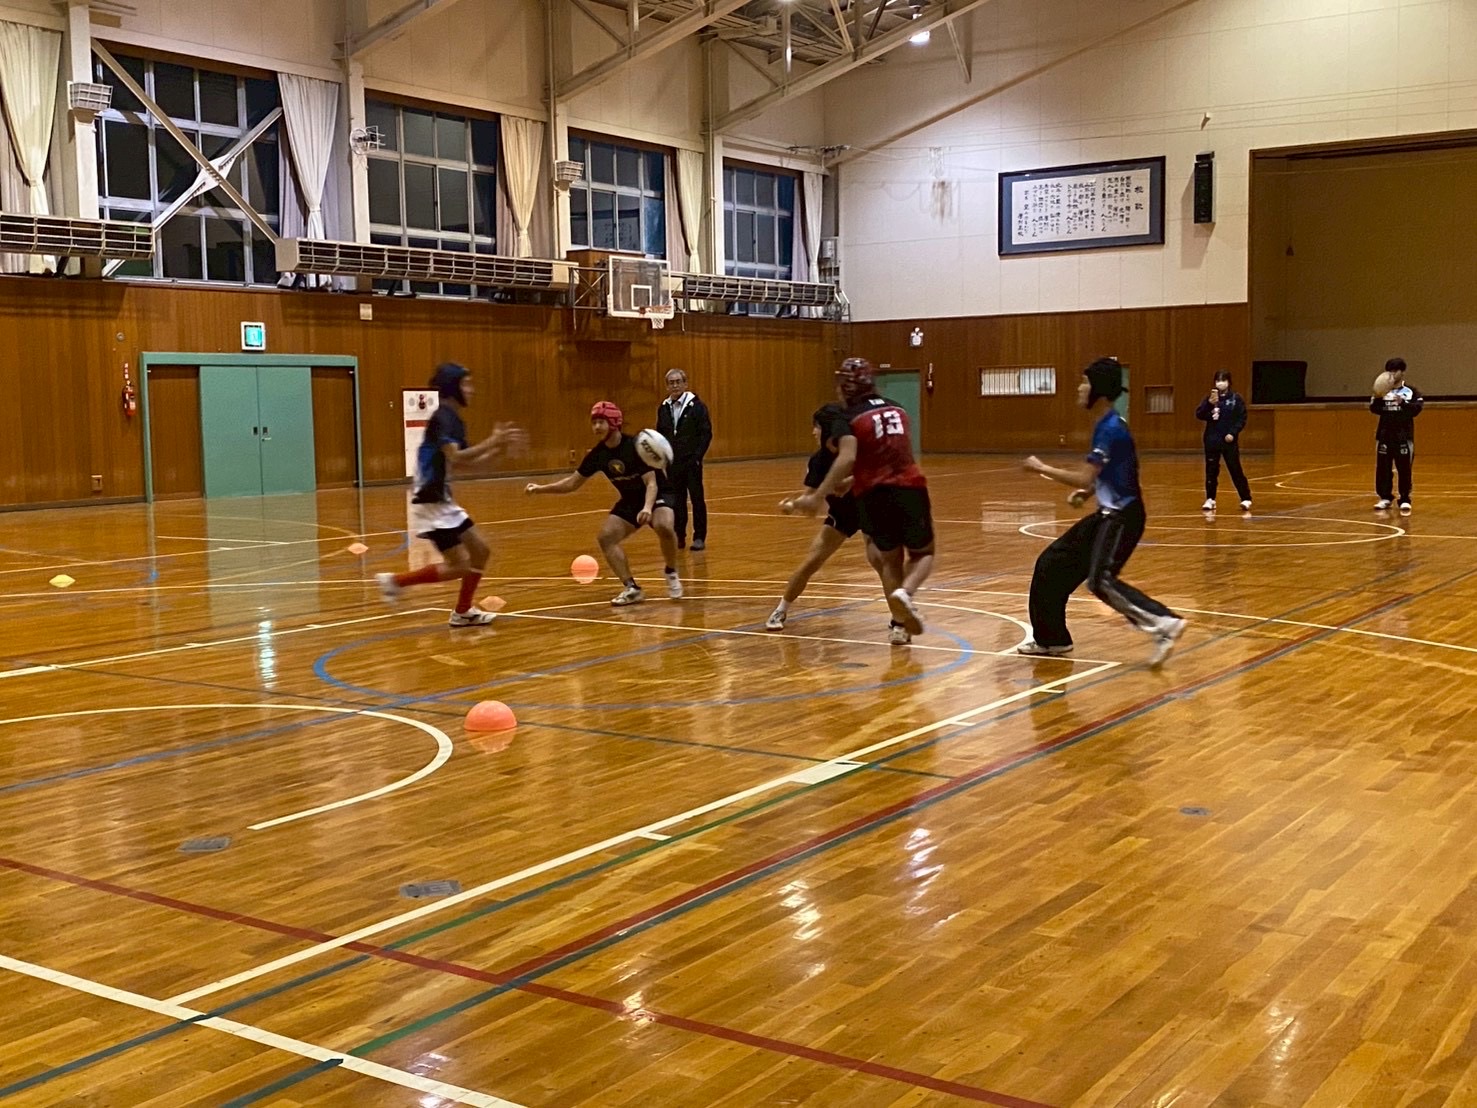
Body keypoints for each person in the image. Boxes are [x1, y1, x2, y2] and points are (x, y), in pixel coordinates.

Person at [1020, 357, 1187, 666]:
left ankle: (1164, 622)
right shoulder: (1107, 426)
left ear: (1098, 389)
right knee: (1051, 564)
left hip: (1122, 518)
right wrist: (1087, 493)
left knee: (1101, 581)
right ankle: (1052, 639)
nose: (1079, 388)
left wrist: (1041, 468)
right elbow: (1111, 475)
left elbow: (1086, 476)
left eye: (1085, 383)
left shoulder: (1111, 430)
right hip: (1108, 515)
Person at [787, 358, 933, 646]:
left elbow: (848, 457)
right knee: (922, 553)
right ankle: (904, 602)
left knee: (888, 560)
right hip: (909, 487)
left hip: (873, 495)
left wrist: (818, 496)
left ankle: (899, 618)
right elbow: (892, 456)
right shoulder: (898, 410)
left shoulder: (848, 417)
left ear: (846, 387)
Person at [376, 362, 526, 626]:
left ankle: (462, 611)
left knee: (480, 552)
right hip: (430, 501)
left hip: (440, 500)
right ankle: (397, 582)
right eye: (466, 384)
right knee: (461, 564)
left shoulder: (454, 419)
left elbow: (466, 463)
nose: (472, 390)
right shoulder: (442, 417)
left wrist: (499, 450)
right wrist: (493, 441)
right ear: (452, 386)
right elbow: (457, 455)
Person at [525, 401, 682, 606]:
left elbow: (651, 483)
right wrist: (540, 488)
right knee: (606, 538)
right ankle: (631, 588)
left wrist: (647, 507)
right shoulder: (598, 455)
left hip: (658, 492)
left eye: (601, 422)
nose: (596, 427)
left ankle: (671, 571)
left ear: (614, 423)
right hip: (631, 499)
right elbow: (572, 483)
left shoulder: (635, 446)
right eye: (594, 422)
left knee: (664, 526)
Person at [766, 402, 859, 632]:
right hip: (842, 515)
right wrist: (794, 505)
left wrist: (849, 482)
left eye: (816, 427)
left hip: (872, 509)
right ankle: (781, 610)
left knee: (883, 562)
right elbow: (811, 499)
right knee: (811, 562)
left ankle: (899, 620)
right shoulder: (818, 461)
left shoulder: (858, 449)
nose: (813, 432)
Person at [656, 368, 713, 550]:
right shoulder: (663, 408)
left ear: (685, 384)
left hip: (691, 463)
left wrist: (697, 457)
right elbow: (660, 435)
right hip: (673, 464)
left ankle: (699, 537)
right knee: (677, 501)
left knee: (697, 500)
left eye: (678, 382)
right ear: (667, 386)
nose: (675, 386)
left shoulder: (697, 407)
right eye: (671, 383)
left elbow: (706, 434)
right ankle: (679, 535)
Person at [1371, 357, 1423, 515]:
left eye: (1395, 371)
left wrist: (1403, 403)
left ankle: (1405, 498)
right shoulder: (1381, 390)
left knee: (1404, 468)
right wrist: (1378, 398)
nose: (1392, 374)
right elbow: (1374, 409)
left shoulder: (1411, 391)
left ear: (1402, 372)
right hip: (1385, 435)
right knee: (1383, 468)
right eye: (1390, 371)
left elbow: (1416, 409)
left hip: (1403, 436)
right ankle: (1385, 497)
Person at [1196, 370, 1252, 512]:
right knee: (1211, 470)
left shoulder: (1235, 399)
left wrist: (1233, 433)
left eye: (1223, 380)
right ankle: (1210, 499)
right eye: (1218, 380)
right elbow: (1199, 414)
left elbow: (1241, 418)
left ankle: (1245, 498)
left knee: (1235, 469)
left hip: (1228, 441)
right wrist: (1209, 405)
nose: (1220, 383)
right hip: (1212, 440)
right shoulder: (1210, 398)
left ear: (1229, 382)